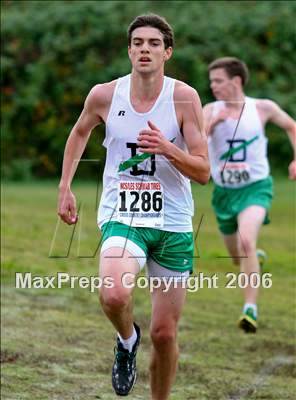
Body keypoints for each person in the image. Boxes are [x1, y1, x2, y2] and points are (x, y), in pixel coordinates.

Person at [58, 14, 209, 399]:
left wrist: (168, 149)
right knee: (113, 294)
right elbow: (78, 134)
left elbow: (204, 171)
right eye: (138, 42)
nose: (145, 49)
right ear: (129, 50)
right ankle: (126, 341)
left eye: (154, 43)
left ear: (167, 52)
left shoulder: (184, 98)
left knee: (164, 334)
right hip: (123, 215)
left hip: (173, 223)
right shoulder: (105, 95)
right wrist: (65, 187)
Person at [203, 57, 296, 333]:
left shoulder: (262, 107)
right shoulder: (210, 110)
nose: (213, 86)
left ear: (236, 81)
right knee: (238, 255)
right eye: (211, 81)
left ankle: (249, 309)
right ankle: (255, 256)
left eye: (218, 81)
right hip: (224, 193)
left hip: (256, 188)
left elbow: (292, 126)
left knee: (246, 241)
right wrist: (213, 125)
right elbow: (194, 141)